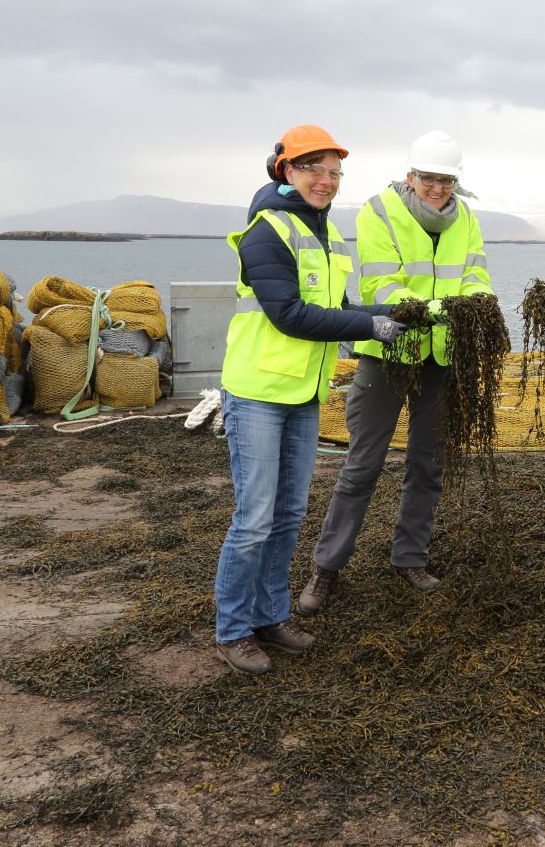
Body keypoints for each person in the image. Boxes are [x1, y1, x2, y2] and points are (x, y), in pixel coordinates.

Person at [213, 124, 406, 676]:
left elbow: (338, 307)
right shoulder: (265, 234)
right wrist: (372, 323)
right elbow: (290, 315)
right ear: (285, 170)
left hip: (302, 392)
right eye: (313, 169)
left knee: (289, 513)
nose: (326, 181)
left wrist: (386, 326)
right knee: (253, 519)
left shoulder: (326, 236)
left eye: (334, 172)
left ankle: (271, 617)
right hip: (256, 392)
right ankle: (232, 631)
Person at [297, 131, 492, 615]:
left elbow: (476, 272)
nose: (437, 188)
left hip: (440, 358)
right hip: (386, 353)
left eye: (446, 180)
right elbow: (380, 282)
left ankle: (410, 557)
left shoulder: (465, 216)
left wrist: (477, 301)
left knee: (427, 465)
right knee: (362, 464)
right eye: (428, 178)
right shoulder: (378, 211)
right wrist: (437, 307)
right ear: (410, 176)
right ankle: (327, 566)